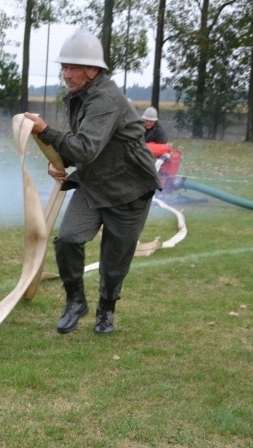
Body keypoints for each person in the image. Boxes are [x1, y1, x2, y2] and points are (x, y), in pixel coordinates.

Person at [25, 30, 160, 335]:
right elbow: (86, 144)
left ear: (92, 70)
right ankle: (76, 301)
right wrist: (59, 160)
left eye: (73, 68)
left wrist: (46, 131)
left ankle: (106, 310)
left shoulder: (105, 99)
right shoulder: (78, 96)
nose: (66, 74)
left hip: (130, 190)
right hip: (94, 183)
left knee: (114, 262)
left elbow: (86, 147)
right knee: (69, 239)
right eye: (64, 67)